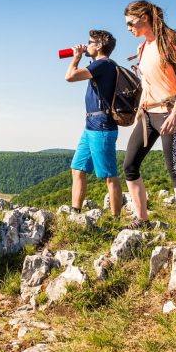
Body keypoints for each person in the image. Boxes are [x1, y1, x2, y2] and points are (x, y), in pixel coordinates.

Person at [122, 0, 176, 230]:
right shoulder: (142, 48)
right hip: (147, 114)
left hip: (168, 112)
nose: (129, 29)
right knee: (130, 165)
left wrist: (175, 112)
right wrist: (140, 108)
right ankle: (142, 218)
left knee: (175, 168)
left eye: (131, 23)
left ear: (144, 16)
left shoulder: (170, 41)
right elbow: (145, 81)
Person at [65, 29, 122, 217]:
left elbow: (70, 76)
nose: (86, 44)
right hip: (91, 125)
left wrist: (76, 57)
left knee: (109, 176)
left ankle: (115, 219)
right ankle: (75, 213)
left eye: (89, 42)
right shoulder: (101, 65)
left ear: (98, 46)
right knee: (78, 168)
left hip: (102, 127)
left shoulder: (103, 64)